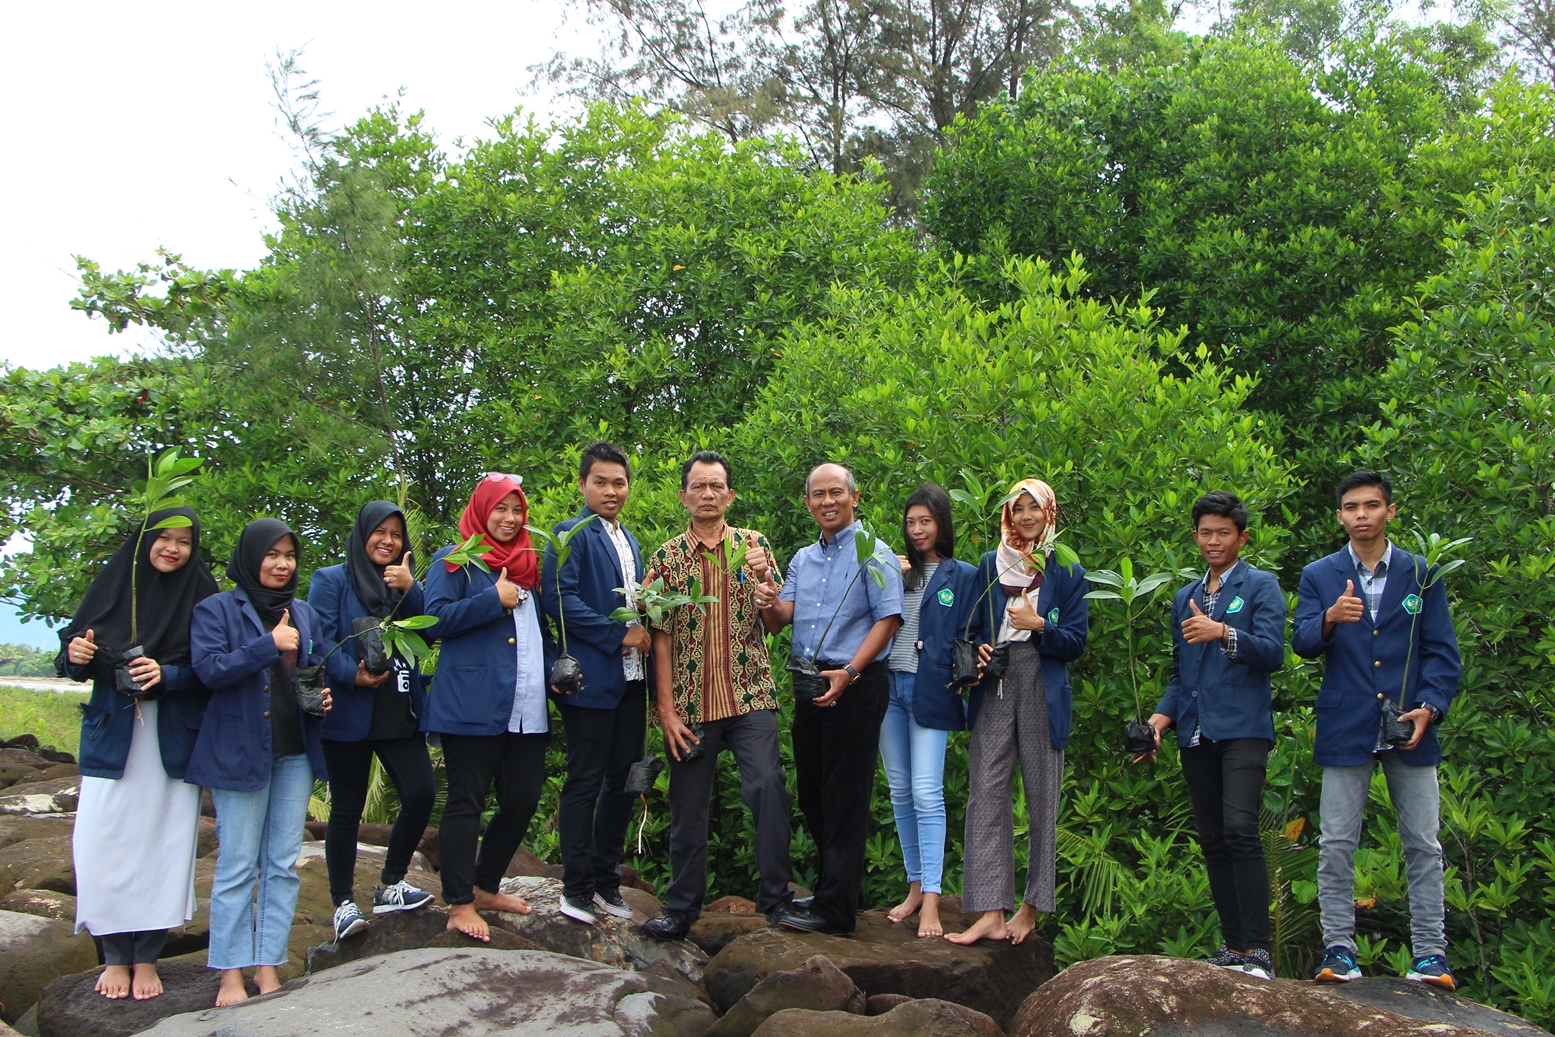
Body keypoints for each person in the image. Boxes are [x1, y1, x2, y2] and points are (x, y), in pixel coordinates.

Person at [1293, 471, 1461, 990]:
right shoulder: (1320, 574)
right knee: (1337, 841)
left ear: (1390, 510)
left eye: (1371, 505)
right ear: (1339, 515)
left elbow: (1442, 652)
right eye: (1351, 507)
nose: (1361, 514)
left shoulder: (1421, 572)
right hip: (1346, 722)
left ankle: (1431, 955)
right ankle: (1339, 950)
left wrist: (1429, 708)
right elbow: (1300, 641)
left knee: (1423, 843)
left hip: (1411, 724)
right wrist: (1328, 619)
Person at [59, 507, 219, 1001]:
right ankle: (113, 954)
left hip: (169, 739)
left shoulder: (203, 596)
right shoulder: (115, 586)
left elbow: (212, 668)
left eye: (184, 542)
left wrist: (168, 675)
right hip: (114, 739)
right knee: (102, 841)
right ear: (144, 541)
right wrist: (76, 656)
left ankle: (147, 954)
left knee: (164, 843)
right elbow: (70, 654)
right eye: (163, 538)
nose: (173, 548)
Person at [640, 451, 796, 940]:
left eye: (717, 486)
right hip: (689, 704)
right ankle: (681, 909)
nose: (708, 495)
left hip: (750, 693)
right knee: (689, 810)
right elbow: (658, 638)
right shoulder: (666, 557)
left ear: (729, 495)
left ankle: (777, 901)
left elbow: (774, 622)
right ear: (684, 495)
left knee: (767, 789)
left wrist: (767, 590)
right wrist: (664, 711)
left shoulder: (754, 546)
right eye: (698, 486)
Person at [187, 519, 332, 1007]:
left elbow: (309, 671)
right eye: (272, 554)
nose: (282, 563)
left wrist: (320, 696)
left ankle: (267, 965)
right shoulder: (215, 610)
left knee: (282, 864)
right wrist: (266, 646)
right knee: (236, 865)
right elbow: (208, 671)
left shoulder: (305, 613)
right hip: (239, 752)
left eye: (289, 555)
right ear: (251, 558)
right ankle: (229, 971)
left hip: (295, 752)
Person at [755, 461, 904, 935]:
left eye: (835, 492)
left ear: (854, 497)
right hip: (809, 682)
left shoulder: (875, 553)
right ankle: (843, 889)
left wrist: (850, 671)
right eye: (817, 495)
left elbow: (889, 620)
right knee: (814, 792)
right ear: (807, 504)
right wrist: (768, 601)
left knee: (846, 795)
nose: (827, 502)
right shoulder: (803, 558)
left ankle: (836, 911)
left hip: (857, 683)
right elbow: (782, 620)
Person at [1145, 491, 1286, 980]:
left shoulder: (1262, 586)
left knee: (1241, 830)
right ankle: (1235, 947)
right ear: (1195, 536)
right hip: (1196, 732)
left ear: (1241, 537)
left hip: (1244, 727)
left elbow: (1273, 652)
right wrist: (1160, 722)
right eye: (1205, 532)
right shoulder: (1185, 596)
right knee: (1212, 838)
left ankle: (1260, 952)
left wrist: (1223, 633)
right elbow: (1181, 675)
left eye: (1223, 532)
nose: (1213, 540)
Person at [947, 479, 1089, 947]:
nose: (1026, 516)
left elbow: (1077, 642)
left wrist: (1040, 625)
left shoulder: (1065, 567)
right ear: (1007, 513)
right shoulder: (991, 563)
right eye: (1018, 507)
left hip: (1040, 681)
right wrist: (981, 652)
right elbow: (968, 629)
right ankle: (990, 909)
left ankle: (1030, 907)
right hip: (994, 683)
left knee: (1042, 794)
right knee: (986, 789)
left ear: (1049, 512)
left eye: (1034, 508)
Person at [423, 475, 551, 942]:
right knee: (467, 800)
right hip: (471, 702)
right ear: (481, 510)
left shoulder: (529, 562)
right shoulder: (455, 560)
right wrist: (489, 600)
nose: (509, 519)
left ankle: (483, 885)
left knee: (522, 797)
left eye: (517, 511)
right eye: (500, 509)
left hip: (525, 702)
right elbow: (432, 621)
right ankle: (459, 903)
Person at [308, 501, 437, 942]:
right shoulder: (330, 580)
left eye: (396, 534)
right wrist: (352, 674)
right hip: (349, 707)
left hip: (398, 705)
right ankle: (343, 902)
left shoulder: (403, 584)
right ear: (362, 534)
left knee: (420, 792)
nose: (388, 541)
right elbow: (318, 640)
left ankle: (390, 882)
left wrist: (412, 588)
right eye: (379, 532)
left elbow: (431, 630)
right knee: (346, 807)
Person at [540, 441, 653, 926]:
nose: (611, 490)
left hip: (631, 679)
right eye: (600, 482)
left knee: (624, 782)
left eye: (619, 482)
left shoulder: (630, 539)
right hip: (590, 676)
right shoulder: (571, 533)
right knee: (585, 780)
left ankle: (607, 881)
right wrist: (618, 633)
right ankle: (577, 887)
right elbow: (557, 599)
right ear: (583, 484)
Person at [881, 482, 982, 939]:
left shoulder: (963, 574)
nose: (917, 529)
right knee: (900, 791)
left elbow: (977, 632)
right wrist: (886, 574)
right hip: (888, 690)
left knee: (927, 792)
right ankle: (915, 886)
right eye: (910, 522)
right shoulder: (895, 569)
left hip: (933, 691)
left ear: (941, 522)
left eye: (926, 520)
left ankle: (934, 902)